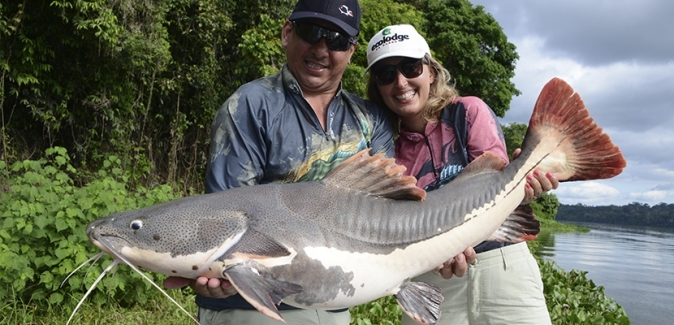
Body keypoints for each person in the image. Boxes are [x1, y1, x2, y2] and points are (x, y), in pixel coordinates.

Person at [161, 0, 397, 324]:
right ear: (288, 32)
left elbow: (390, 208)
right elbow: (224, 219)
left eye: (337, 40)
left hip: (332, 304)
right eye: (311, 32)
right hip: (248, 302)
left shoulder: (370, 119)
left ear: (351, 51)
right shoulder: (251, 105)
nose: (322, 48)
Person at [365, 24, 557, 325]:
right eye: (386, 75)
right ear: (377, 87)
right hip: (431, 278)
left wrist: (525, 182)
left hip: (502, 264)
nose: (401, 82)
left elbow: (495, 186)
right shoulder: (383, 150)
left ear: (430, 71)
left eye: (410, 67)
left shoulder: (468, 112)